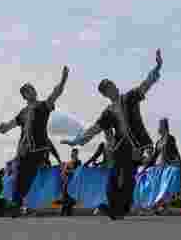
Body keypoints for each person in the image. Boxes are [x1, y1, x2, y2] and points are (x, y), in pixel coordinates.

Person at [61, 50, 162, 220]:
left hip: (137, 146)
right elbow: (94, 129)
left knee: (129, 178)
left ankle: (121, 210)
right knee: (113, 178)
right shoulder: (107, 112)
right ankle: (114, 208)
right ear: (105, 94)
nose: (112, 88)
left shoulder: (130, 97)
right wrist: (77, 141)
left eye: (112, 85)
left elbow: (146, 84)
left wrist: (157, 67)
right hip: (120, 147)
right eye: (107, 89)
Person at [0, 67, 69, 215]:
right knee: (20, 175)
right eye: (27, 91)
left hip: (39, 148)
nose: (31, 92)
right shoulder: (23, 112)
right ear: (24, 96)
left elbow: (55, 94)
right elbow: (9, 125)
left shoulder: (43, 105)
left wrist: (63, 80)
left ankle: (20, 203)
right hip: (24, 149)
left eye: (31, 89)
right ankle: (16, 204)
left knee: (29, 174)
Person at [59, 148, 81, 216]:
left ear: (77, 154)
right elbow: (63, 172)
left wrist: (67, 171)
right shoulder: (68, 162)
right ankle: (63, 212)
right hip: (67, 181)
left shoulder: (78, 162)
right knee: (65, 197)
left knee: (70, 198)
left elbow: (77, 171)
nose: (73, 154)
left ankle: (68, 212)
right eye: (72, 153)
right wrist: (64, 170)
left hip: (73, 182)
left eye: (75, 153)